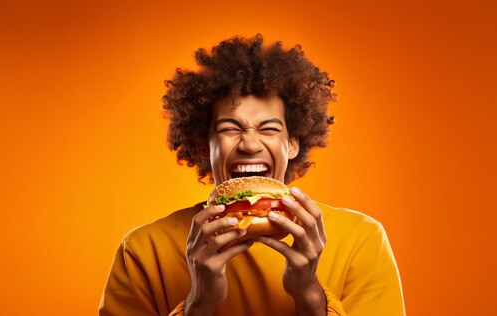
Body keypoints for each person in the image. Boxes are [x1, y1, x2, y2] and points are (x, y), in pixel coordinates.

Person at [99, 34, 405, 316]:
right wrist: (199, 303)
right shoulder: (143, 250)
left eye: (269, 129)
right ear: (203, 146)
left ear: (293, 143)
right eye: (230, 129)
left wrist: (310, 294)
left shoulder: (361, 239)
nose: (249, 144)